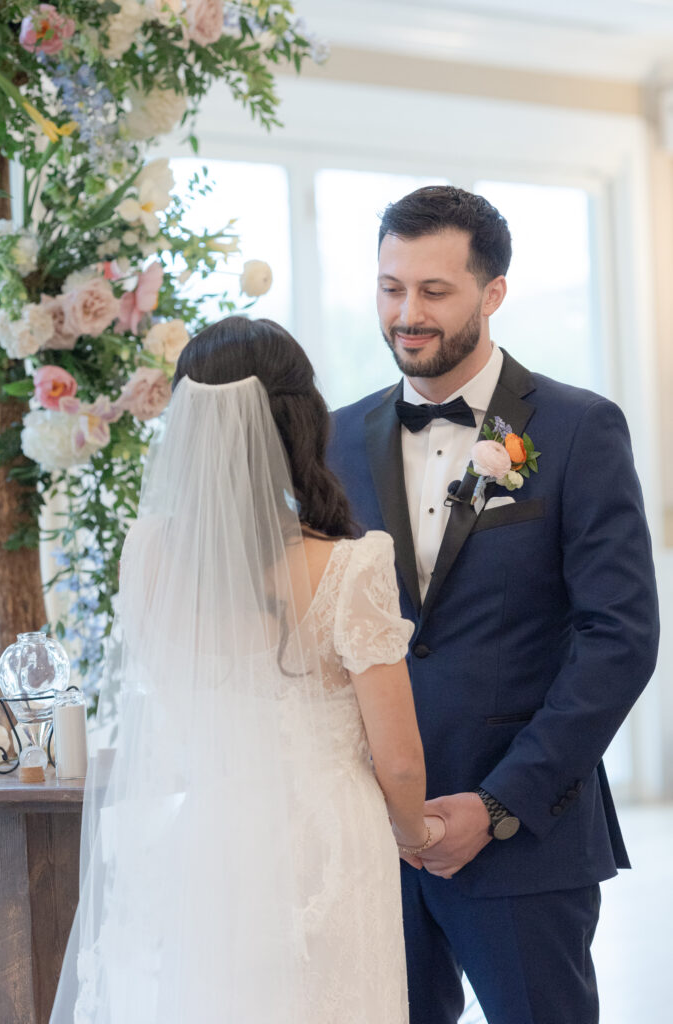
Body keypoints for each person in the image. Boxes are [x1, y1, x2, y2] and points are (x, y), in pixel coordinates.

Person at [50, 316, 445, 1024]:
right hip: (327, 846)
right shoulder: (352, 565)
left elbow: (171, 706)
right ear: (300, 425)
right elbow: (401, 760)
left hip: (213, 831)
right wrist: (416, 835)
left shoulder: (145, 556)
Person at [328, 185, 659, 1024]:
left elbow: (617, 639)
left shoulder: (583, 429)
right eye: (390, 287)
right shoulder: (331, 441)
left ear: (492, 292)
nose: (407, 312)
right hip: (365, 839)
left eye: (434, 291)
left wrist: (501, 803)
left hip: (522, 847)